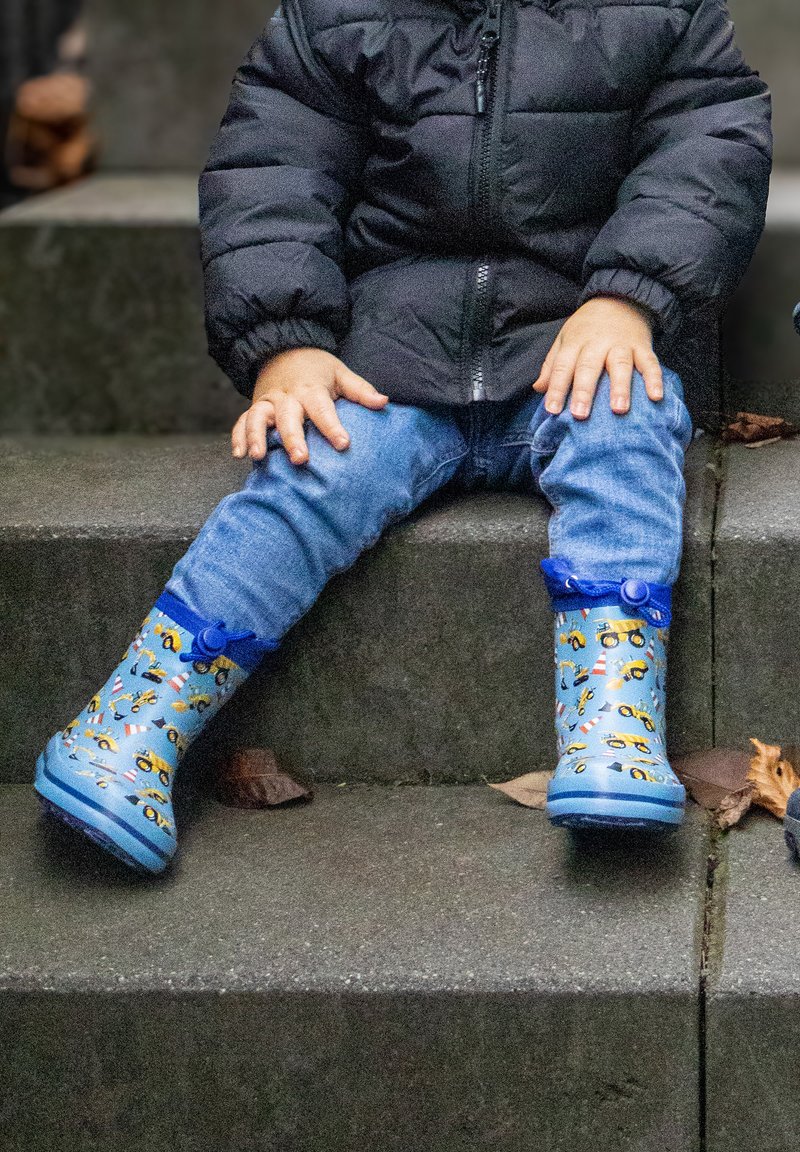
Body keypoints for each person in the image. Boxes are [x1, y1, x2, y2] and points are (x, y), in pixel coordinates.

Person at [34, 0, 772, 873]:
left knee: (627, 426)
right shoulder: (335, 18)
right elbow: (272, 173)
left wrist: (629, 297)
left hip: (578, 336)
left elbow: (707, 151)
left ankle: (613, 723)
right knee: (311, 469)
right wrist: (286, 341)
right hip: (386, 353)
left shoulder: (660, 12)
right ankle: (133, 724)